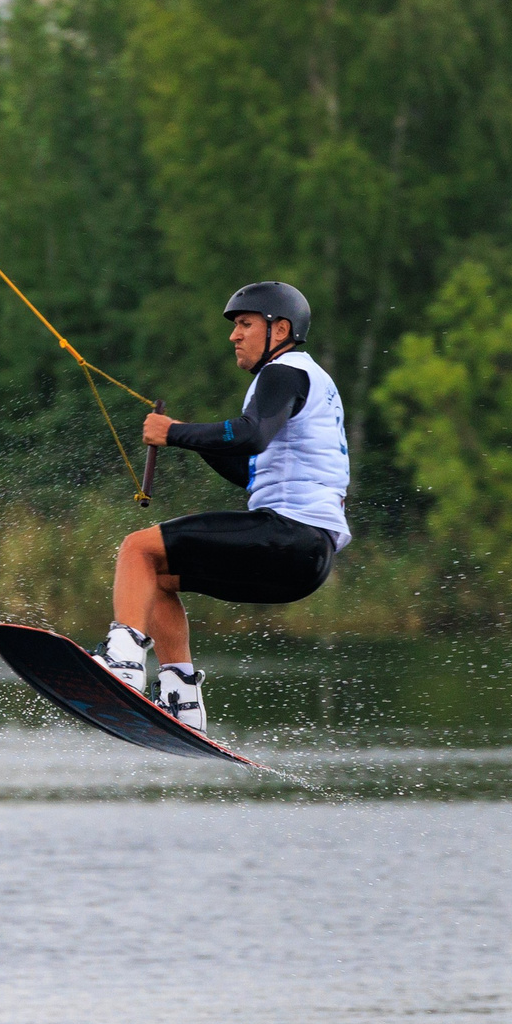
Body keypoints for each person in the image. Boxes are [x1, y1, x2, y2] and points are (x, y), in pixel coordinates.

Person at [98, 282, 351, 733]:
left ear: (280, 329)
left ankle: (122, 664)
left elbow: (250, 434)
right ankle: (181, 698)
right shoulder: (310, 381)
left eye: (245, 324)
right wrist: (186, 438)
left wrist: (175, 432)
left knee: (137, 549)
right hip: (307, 560)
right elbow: (248, 471)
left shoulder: (284, 372)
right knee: (157, 578)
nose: (234, 335)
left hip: (289, 534)